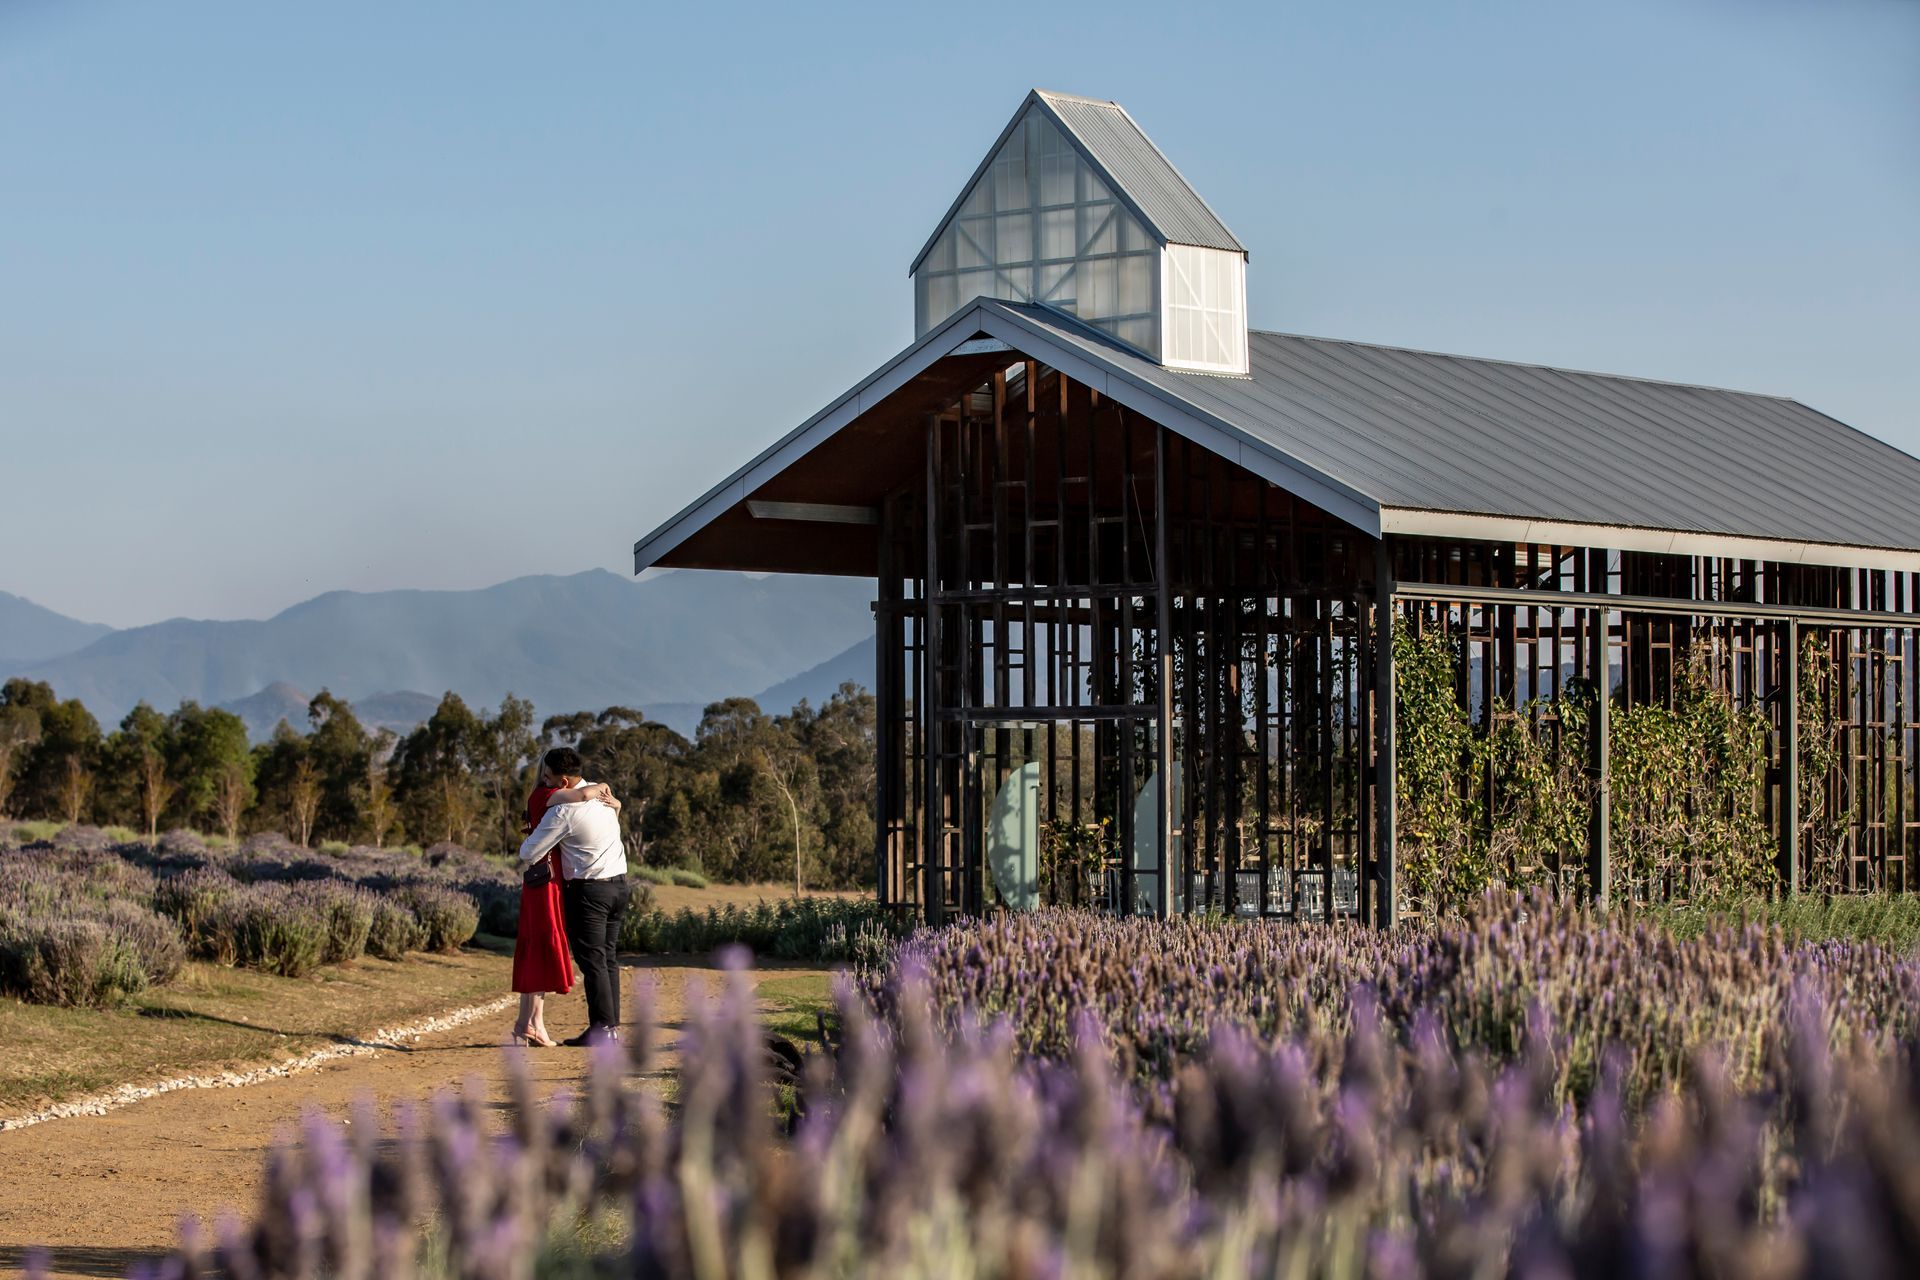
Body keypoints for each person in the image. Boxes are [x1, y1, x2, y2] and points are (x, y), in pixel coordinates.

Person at [518, 745, 630, 1045]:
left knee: (593, 961)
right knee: (607, 959)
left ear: (563, 781)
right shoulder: (605, 800)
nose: (545, 782)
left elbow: (528, 853)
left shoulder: (564, 810)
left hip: (589, 891)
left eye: (548, 777)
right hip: (620, 885)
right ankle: (610, 1027)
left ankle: (602, 1031)